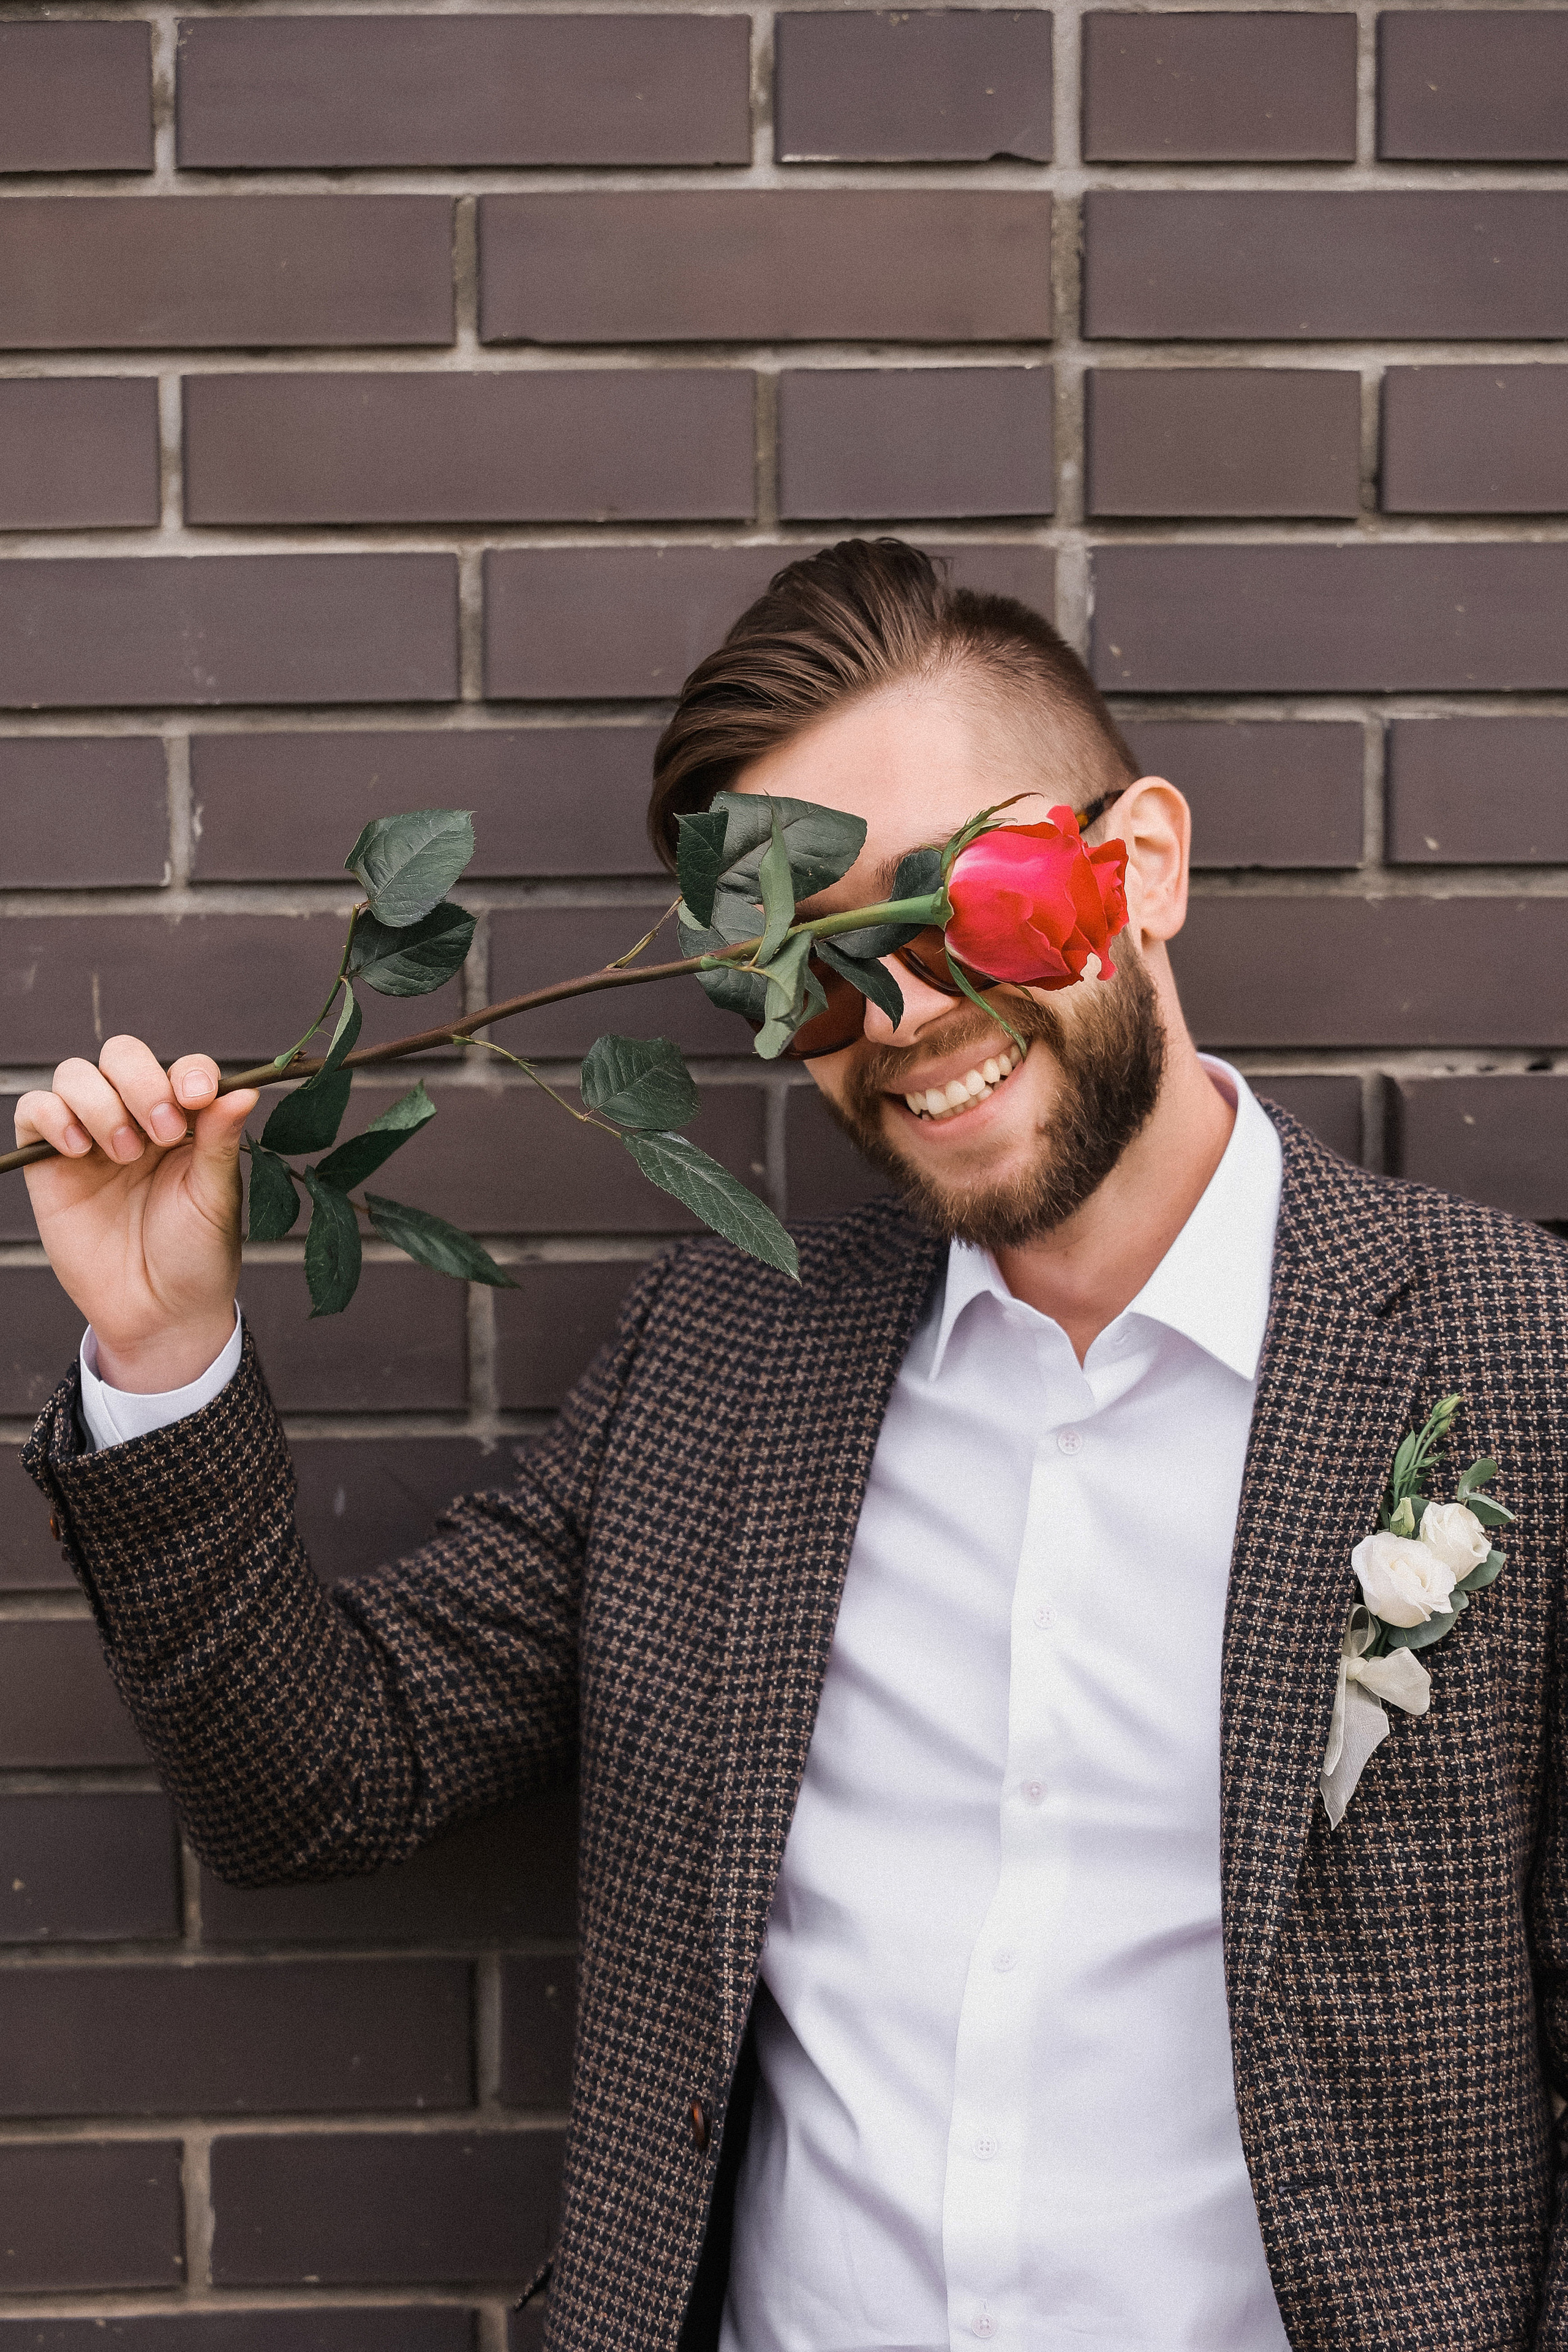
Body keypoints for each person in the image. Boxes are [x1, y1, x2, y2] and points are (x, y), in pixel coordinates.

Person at [17, 538, 1568, 2352]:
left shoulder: (1516, 1362)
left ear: (1138, 866)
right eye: (815, 968)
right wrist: (163, 1341)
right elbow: (317, 1783)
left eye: (955, 905)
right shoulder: (722, 1367)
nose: (902, 1017)